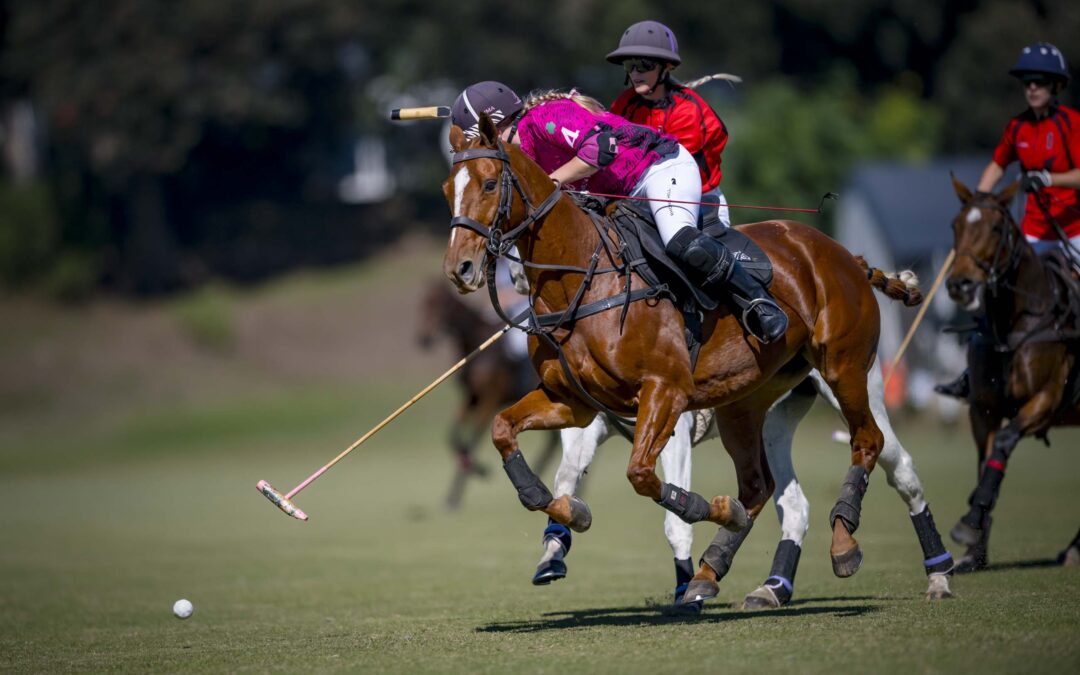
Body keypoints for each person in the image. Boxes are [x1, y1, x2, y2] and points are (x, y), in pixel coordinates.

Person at [450, 81, 788, 344]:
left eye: (486, 139)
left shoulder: (545, 118)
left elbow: (601, 147)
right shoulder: (520, 158)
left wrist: (554, 180)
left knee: (680, 241)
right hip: (619, 198)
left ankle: (758, 303)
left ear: (496, 125)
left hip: (657, 169)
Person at [937, 42, 1080, 399]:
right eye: (1027, 82)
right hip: (1033, 231)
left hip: (1074, 230)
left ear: (1056, 87)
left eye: (1041, 82)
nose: (1032, 88)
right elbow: (998, 164)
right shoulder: (1017, 128)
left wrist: (1049, 179)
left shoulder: (1071, 124)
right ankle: (974, 371)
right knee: (995, 294)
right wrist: (978, 203)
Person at [606, 20, 731, 227]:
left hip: (698, 205)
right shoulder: (623, 104)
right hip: (639, 199)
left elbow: (669, 171)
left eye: (644, 65)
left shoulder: (687, 111)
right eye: (630, 65)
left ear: (667, 67)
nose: (635, 73)